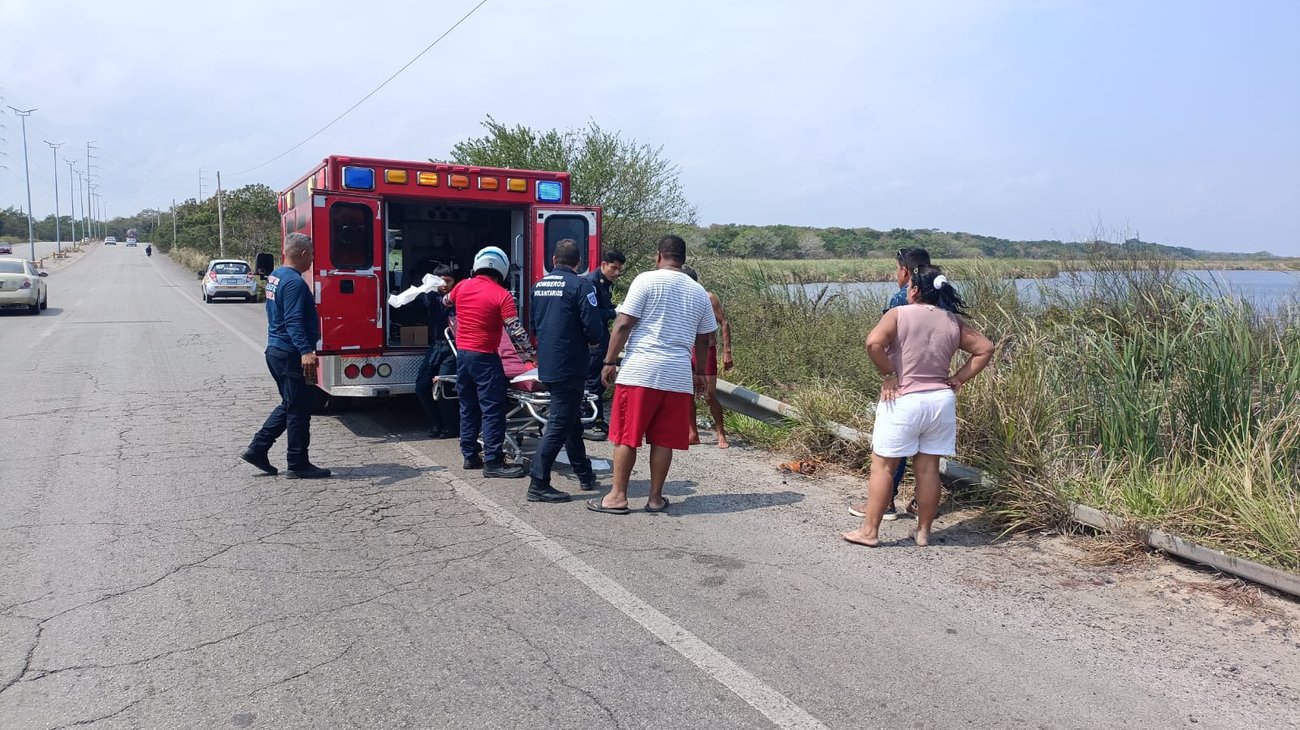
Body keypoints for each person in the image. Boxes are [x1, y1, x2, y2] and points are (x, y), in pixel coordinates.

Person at [842, 266, 994, 547]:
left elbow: (873, 343)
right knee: (928, 469)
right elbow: (985, 348)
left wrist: (889, 375)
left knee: (884, 467)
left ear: (913, 289)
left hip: (904, 399)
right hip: (940, 401)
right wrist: (959, 378)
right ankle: (923, 532)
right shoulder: (952, 320)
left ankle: (869, 532)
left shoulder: (898, 314)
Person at [589, 235, 717, 515]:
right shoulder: (698, 291)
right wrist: (699, 373)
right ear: (683, 259)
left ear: (659, 256)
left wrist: (609, 361)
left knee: (626, 436)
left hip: (640, 372)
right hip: (677, 375)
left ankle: (617, 498)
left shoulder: (645, 280)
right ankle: (655, 499)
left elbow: (623, 323)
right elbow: (705, 338)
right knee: (663, 440)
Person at [850, 246, 932, 520]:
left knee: (893, 447)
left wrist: (888, 375)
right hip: (937, 385)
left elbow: (879, 341)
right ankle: (922, 503)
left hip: (903, 382)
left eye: (897, 269)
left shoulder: (902, 299)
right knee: (928, 451)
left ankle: (885, 502)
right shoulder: (940, 294)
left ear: (905, 271)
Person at [241, 232, 331, 479]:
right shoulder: (294, 283)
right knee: (299, 409)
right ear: (303, 254)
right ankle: (297, 463)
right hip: (290, 353)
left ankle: (258, 448)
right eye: (311, 255)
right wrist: (306, 351)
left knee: (292, 403)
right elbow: (293, 320)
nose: (312, 259)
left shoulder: (276, 276)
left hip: (277, 350)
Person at [444, 246, 536, 478]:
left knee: (468, 406)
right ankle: (493, 461)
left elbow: (445, 300)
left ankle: (470, 455)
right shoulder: (501, 295)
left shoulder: (462, 286)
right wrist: (530, 358)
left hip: (463, 356)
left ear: (477, 265)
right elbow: (516, 332)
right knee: (492, 410)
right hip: (485, 357)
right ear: (502, 269)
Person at [527, 239, 605, 502]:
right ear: (579, 263)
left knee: (570, 421)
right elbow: (594, 329)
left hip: (548, 364)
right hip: (571, 365)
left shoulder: (538, 286)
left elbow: (533, 325)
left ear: (553, 260)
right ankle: (538, 482)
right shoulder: (582, 286)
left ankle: (585, 474)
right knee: (560, 424)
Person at [681, 266, 735, 448]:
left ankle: (721, 432)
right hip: (687, 349)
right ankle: (693, 433)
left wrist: (727, 351)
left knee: (709, 394)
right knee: (687, 394)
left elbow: (724, 324)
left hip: (707, 349)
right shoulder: (680, 298)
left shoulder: (708, 297)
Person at [583, 248, 626, 440]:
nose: (617, 273)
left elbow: (604, 307)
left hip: (602, 340)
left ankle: (598, 419)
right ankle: (588, 422)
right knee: (593, 381)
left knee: (599, 384)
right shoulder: (591, 283)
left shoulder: (604, 283)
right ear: (603, 265)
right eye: (614, 268)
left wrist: (615, 308)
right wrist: (614, 313)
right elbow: (592, 315)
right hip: (594, 343)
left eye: (619, 270)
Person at [413, 263, 458, 439]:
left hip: (452, 346)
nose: (445, 285)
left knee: (444, 389)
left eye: (449, 281)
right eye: (441, 281)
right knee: (421, 387)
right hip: (436, 345)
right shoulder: (430, 297)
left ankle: (452, 427)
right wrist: (430, 286)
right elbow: (425, 299)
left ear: (454, 281)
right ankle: (436, 424)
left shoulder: (458, 298)